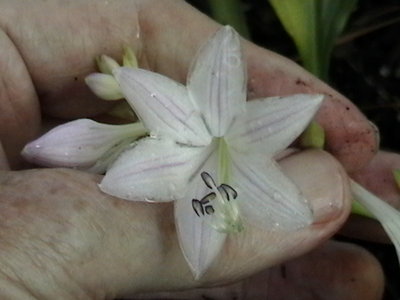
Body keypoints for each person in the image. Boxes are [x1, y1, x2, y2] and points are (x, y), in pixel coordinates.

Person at [0, 0, 390, 298]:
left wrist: (125, 77)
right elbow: (127, 175)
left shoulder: (251, 126)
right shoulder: (175, 147)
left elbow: (287, 185)